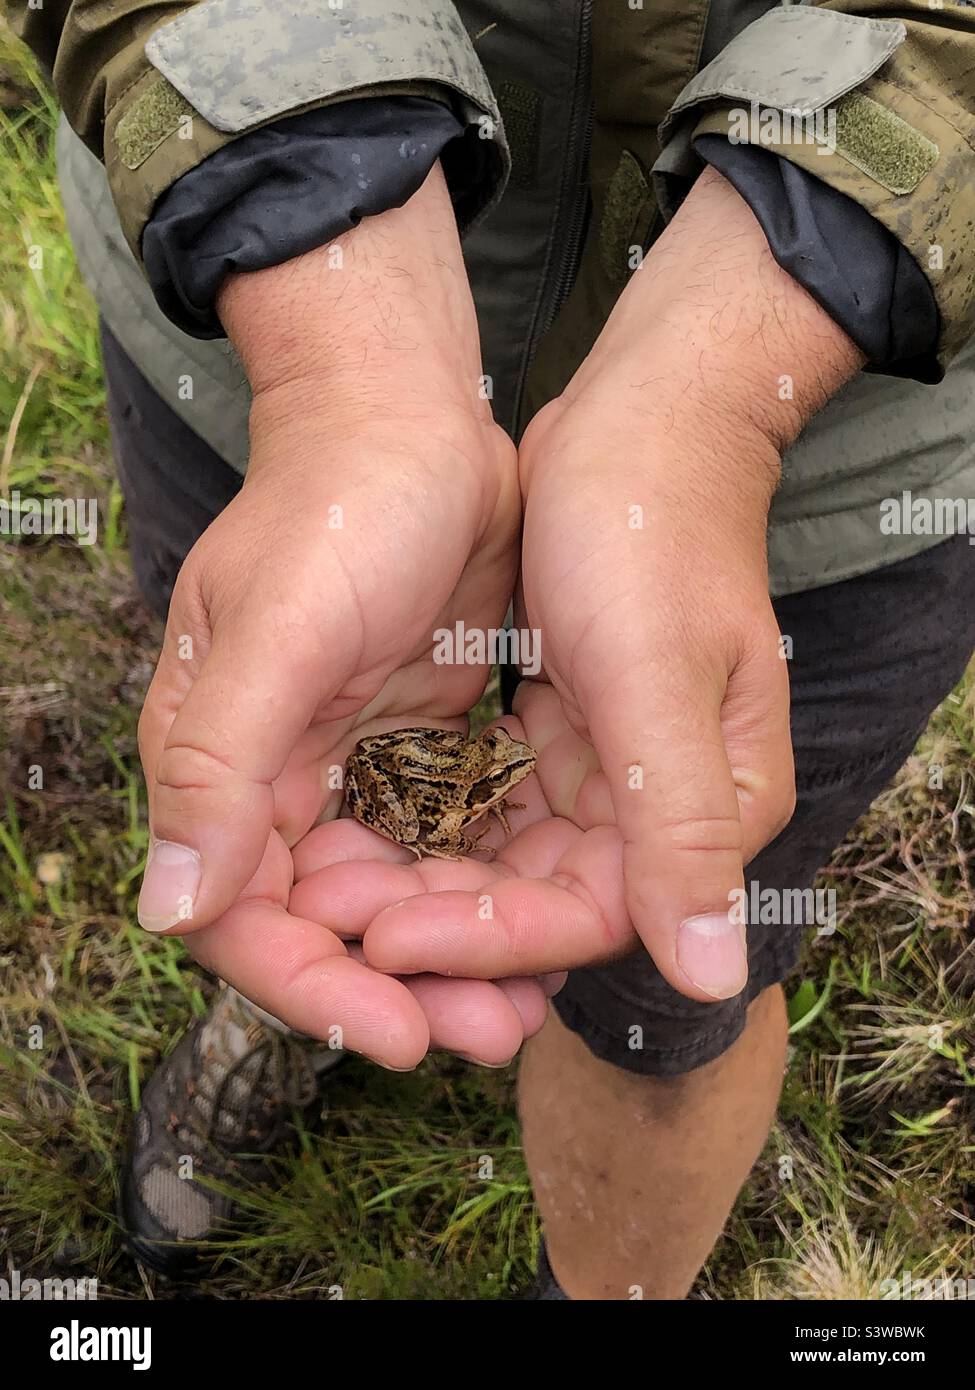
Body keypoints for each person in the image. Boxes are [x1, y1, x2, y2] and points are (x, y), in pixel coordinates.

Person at [12, 0, 975, 1298]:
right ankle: (289, 1012)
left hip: (846, 425)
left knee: (668, 970)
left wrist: (728, 384)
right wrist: (317, 258)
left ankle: (602, 1280)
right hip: (256, 312)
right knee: (283, 778)